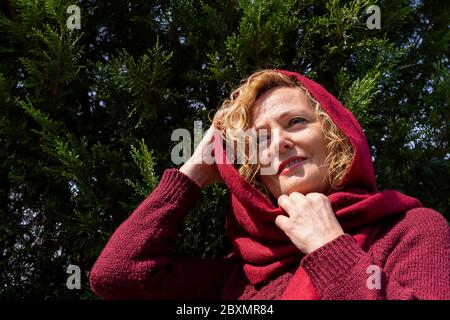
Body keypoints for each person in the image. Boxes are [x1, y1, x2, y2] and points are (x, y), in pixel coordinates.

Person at [89, 69, 450, 300]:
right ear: (254, 172)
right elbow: (117, 276)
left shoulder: (411, 230)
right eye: (259, 140)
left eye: (295, 122)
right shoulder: (244, 277)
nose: (279, 143)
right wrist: (194, 173)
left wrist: (329, 247)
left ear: (336, 136)